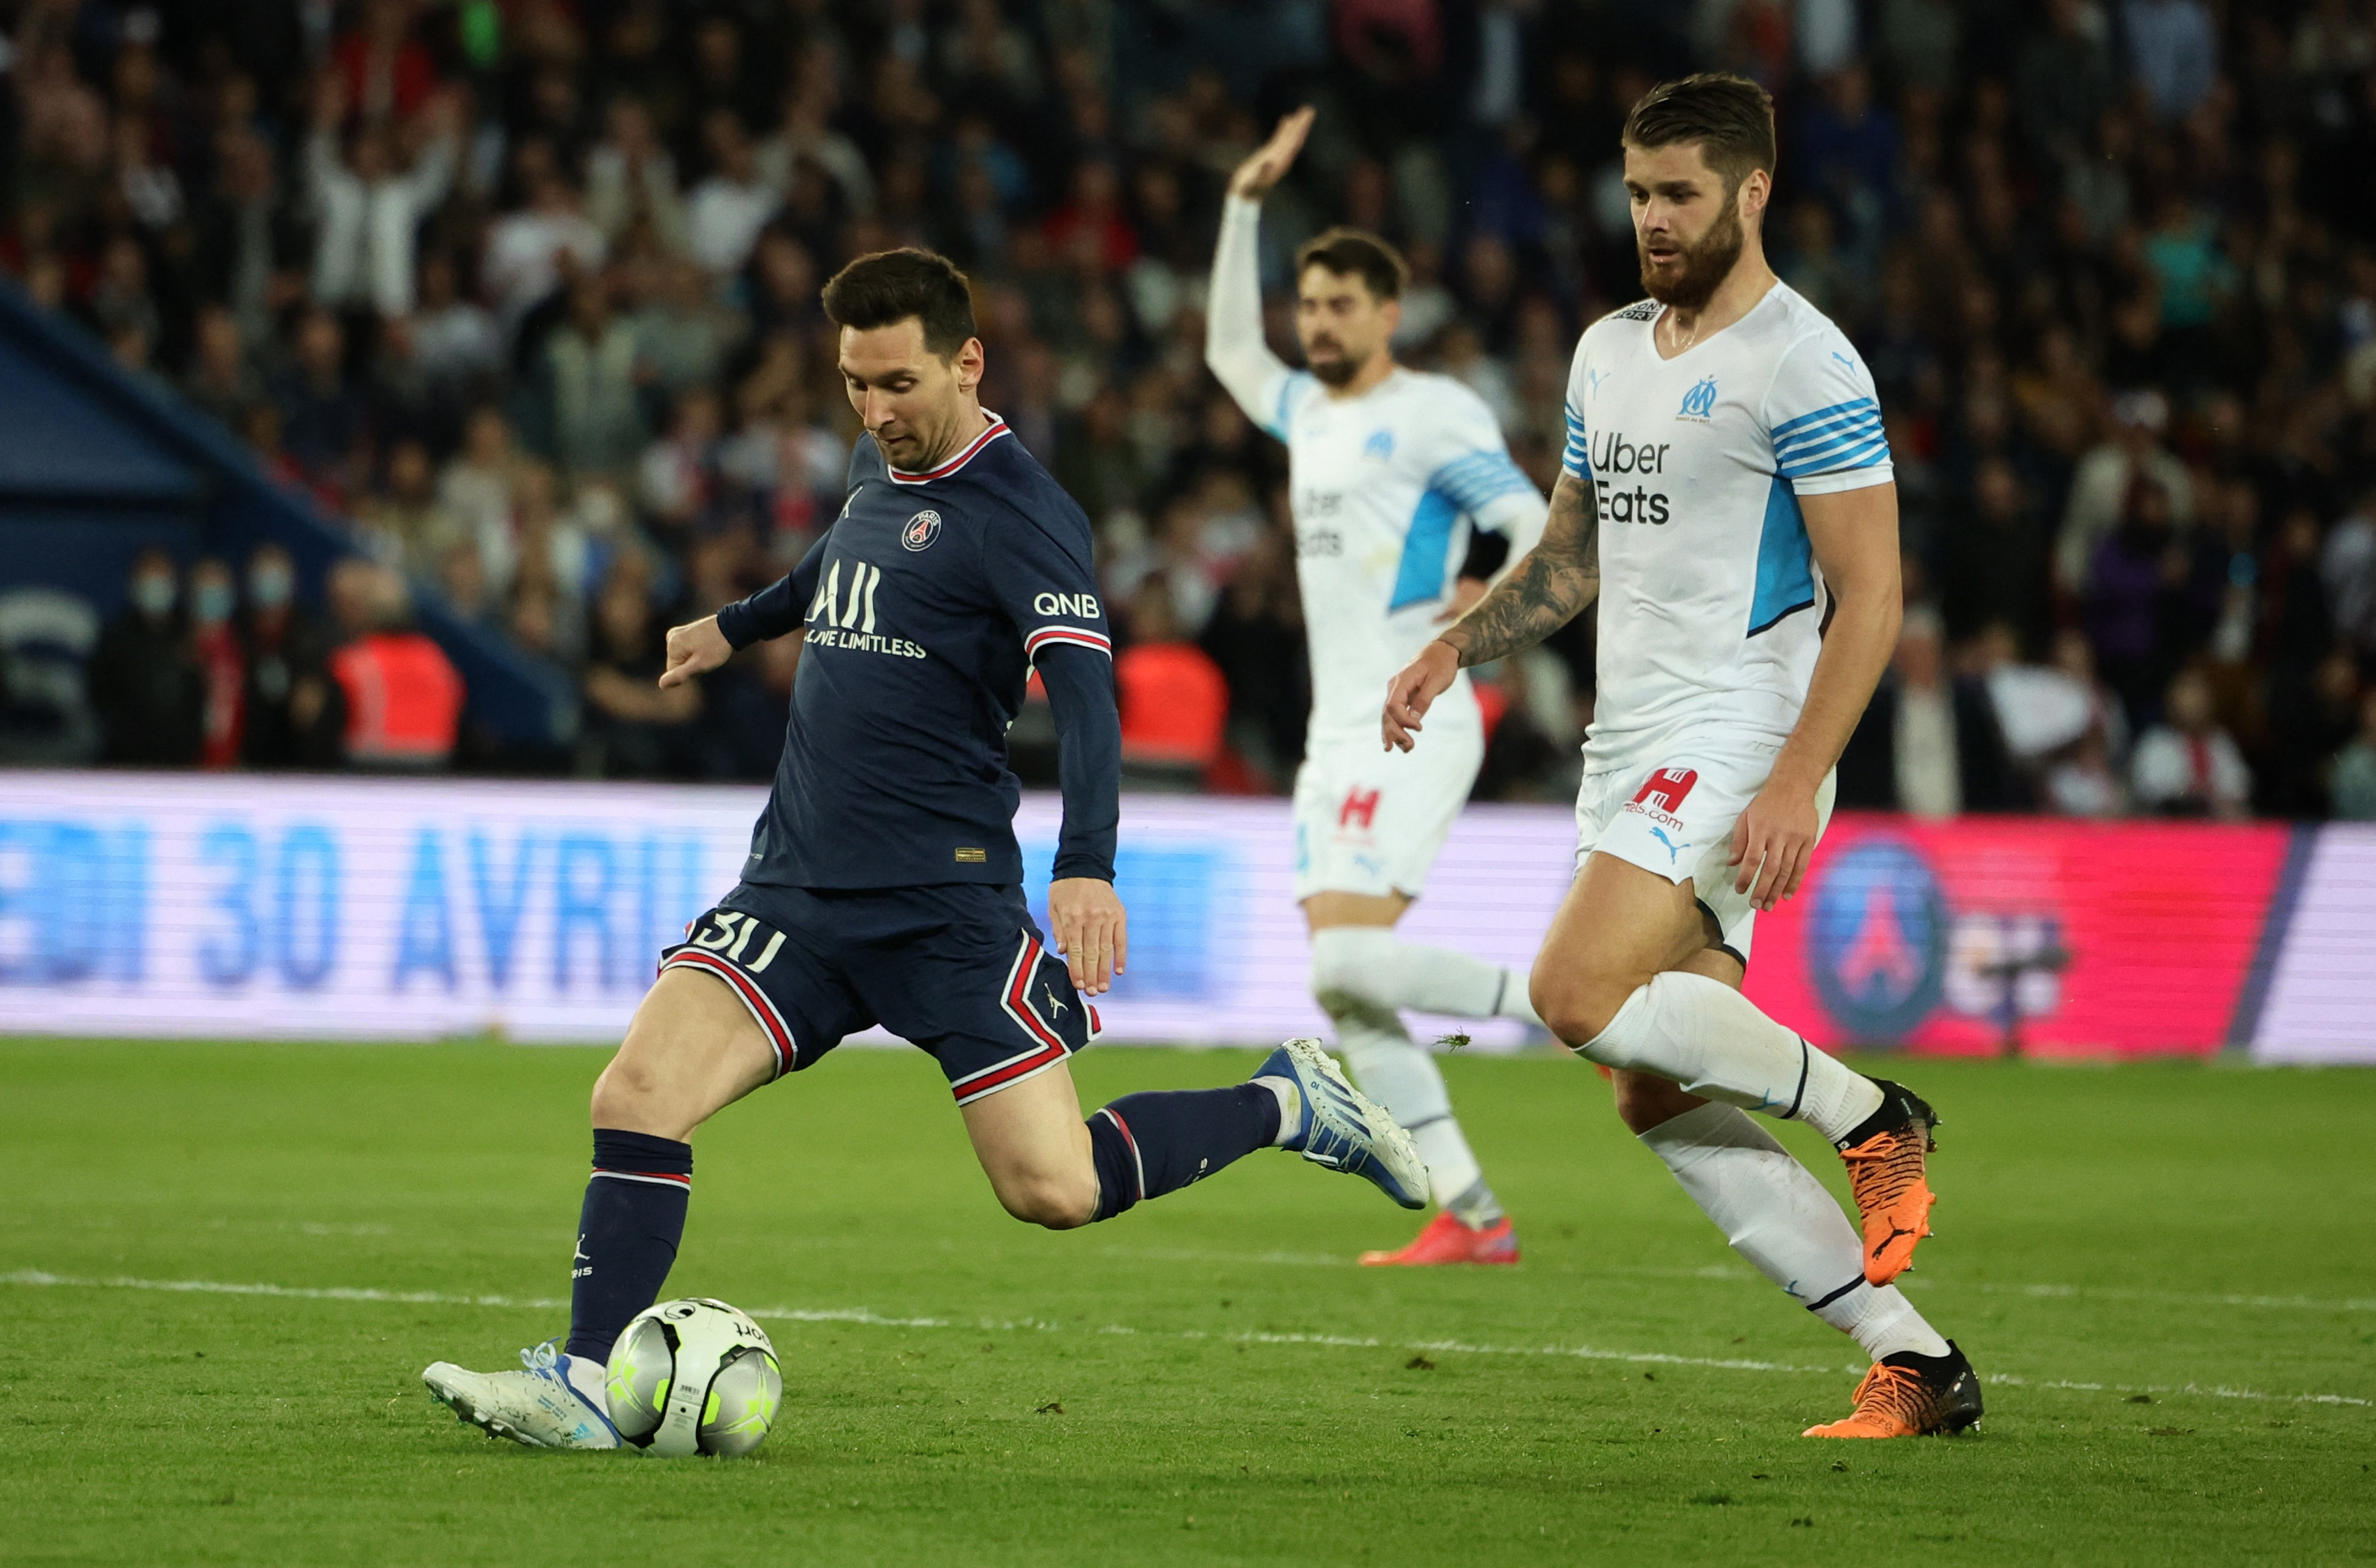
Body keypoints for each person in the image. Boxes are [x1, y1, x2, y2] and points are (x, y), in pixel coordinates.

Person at [422, 247, 1426, 1450]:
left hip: (940, 907)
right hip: (796, 885)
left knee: (1051, 1188)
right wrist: (733, 627)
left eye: (896, 383)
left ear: (967, 361)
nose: (874, 412)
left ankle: (1285, 1100)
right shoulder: (876, 465)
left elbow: (1087, 696)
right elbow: (841, 559)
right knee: (636, 1091)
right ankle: (588, 1380)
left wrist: (1087, 861)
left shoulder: (1026, 514)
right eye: (853, 384)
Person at [1383, 74, 1979, 1439]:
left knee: (1572, 986)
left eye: (1680, 194)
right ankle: (1919, 1362)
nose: (1652, 218)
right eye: (1639, 192)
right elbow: (1572, 555)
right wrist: (1456, 646)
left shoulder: (1806, 361)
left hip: (1744, 732)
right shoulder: (1605, 352)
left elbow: (1871, 595)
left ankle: (1874, 1110)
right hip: (1627, 743)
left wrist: (1791, 777)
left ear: (1752, 191)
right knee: (1653, 1086)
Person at [1205, 108, 1551, 1268]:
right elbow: (1227, 356)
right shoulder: (1305, 409)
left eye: (1339, 304)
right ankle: (1473, 1211)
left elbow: (1531, 528)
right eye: (1305, 304)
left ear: (1387, 313)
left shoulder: (1432, 412)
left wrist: (1460, 633)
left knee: (1348, 967)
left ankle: (1575, 1005)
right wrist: (1242, 202)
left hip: (1415, 714)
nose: (1316, 322)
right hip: (1329, 735)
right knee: (1343, 989)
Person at [89, 549, 206, 766]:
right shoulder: (116, 637)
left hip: (184, 762)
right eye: (149, 579)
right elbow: (99, 694)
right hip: (127, 761)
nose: (156, 587)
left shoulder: (191, 633)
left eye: (162, 579)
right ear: (135, 584)